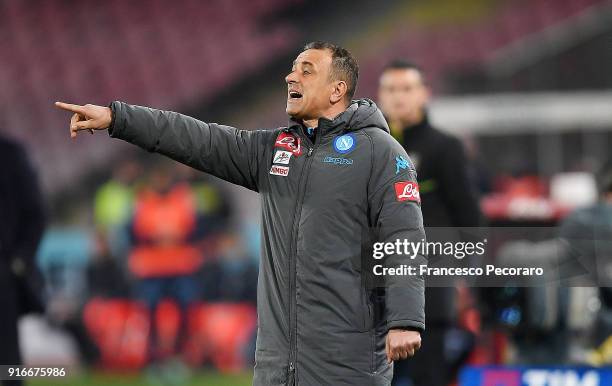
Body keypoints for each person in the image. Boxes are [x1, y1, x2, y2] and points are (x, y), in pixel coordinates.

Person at [55, 41, 426, 386]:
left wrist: (405, 319)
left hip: (347, 363)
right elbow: (197, 138)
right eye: (293, 68)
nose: (290, 76)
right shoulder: (275, 150)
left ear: (336, 90)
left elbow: (404, 237)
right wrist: (117, 119)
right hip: (277, 366)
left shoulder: (380, 152)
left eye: (307, 70)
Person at [378, 60, 482, 386]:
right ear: (380, 96)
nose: (399, 97)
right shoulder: (368, 147)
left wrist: (461, 273)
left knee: (429, 377)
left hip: (431, 289)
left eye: (407, 89)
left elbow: (469, 215)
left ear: (424, 94)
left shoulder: (444, 147)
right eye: (391, 90)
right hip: (376, 287)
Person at [0, 135, 46, 386]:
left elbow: (36, 214)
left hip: (3, 273)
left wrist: (18, 262)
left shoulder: (10, 155)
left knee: (7, 362)